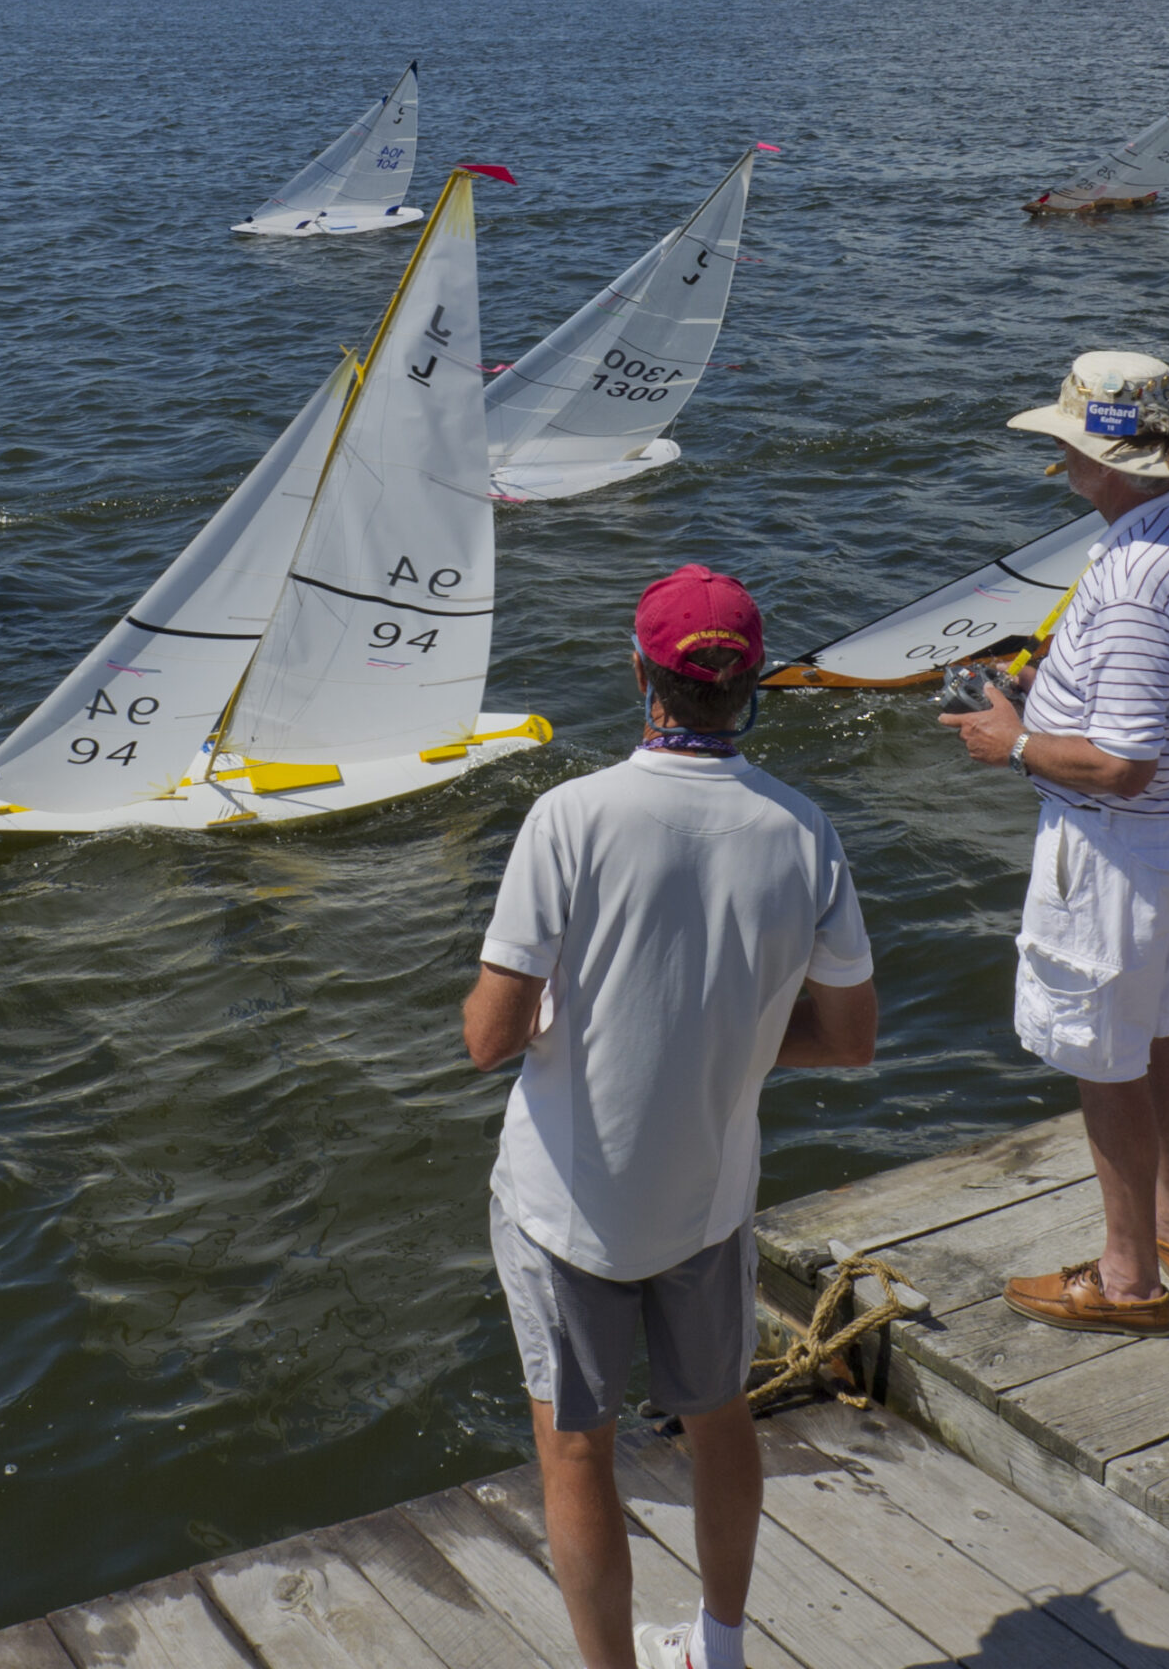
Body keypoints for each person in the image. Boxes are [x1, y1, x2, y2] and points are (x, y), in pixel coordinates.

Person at [463, 565, 878, 1669]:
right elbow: (849, 1039)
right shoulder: (804, 830)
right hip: (707, 1204)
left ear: (639, 672)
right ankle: (723, 1648)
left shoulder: (568, 818)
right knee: (719, 1418)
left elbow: (489, 1036)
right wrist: (730, 1036)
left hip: (567, 1208)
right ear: (749, 685)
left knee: (574, 1452)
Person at [944, 349, 1169, 1337]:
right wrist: (1045, 691)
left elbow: (1122, 764)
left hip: (1124, 849)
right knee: (1167, 1025)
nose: (1059, 462)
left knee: (1104, 1056)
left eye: (1068, 446)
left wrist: (1014, 740)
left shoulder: (1133, 576)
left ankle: (1127, 1279)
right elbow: (1159, 705)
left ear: (1104, 461)